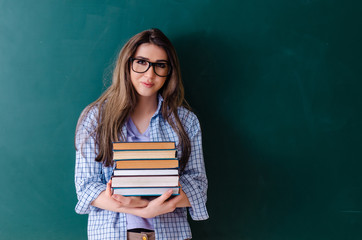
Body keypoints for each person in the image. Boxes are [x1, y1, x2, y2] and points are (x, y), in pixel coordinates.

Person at [74, 28, 208, 240]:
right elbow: (87, 187)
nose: (150, 74)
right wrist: (141, 209)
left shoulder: (185, 121)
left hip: (170, 234)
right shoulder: (96, 118)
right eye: (141, 62)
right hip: (111, 233)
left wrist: (149, 205)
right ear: (127, 64)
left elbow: (198, 187)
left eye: (160, 66)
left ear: (170, 71)